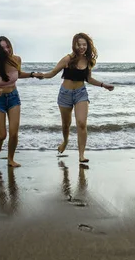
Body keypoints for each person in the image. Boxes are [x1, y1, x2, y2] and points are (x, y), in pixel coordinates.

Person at [35, 33, 114, 163]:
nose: (82, 47)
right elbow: (53, 73)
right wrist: (41, 75)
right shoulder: (67, 59)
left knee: (82, 123)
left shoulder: (88, 61)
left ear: (87, 46)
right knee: (66, 125)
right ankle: (65, 141)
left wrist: (103, 85)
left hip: (80, 93)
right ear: (74, 45)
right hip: (65, 94)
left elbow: (88, 79)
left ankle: (81, 155)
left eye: (84, 44)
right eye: (79, 44)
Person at [0, 36, 39, 168]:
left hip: (14, 97)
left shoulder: (17, 59)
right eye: (3, 48)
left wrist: (32, 74)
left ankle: (10, 159)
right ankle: (0, 141)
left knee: (14, 133)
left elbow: (18, 74)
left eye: (8, 46)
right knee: (2, 135)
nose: (7, 50)